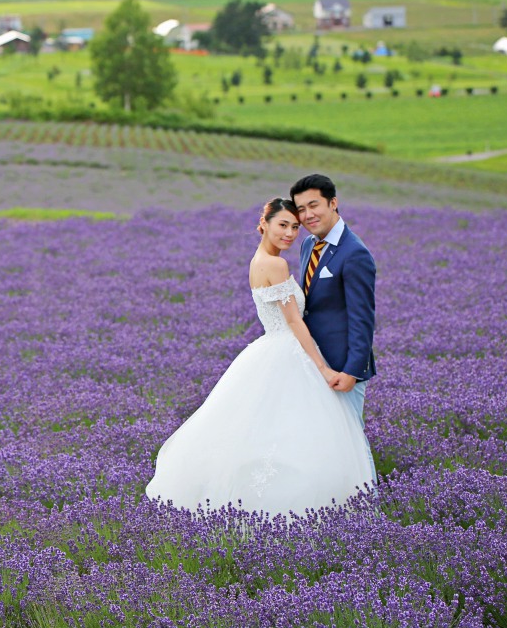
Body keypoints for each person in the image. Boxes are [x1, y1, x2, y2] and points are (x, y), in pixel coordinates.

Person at [145, 198, 375, 518]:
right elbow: (294, 322)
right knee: (301, 433)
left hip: (270, 348)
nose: (290, 233)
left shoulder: (259, 260)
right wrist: (322, 367)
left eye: (295, 227)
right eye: (283, 225)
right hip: (289, 351)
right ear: (264, 223)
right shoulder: (276, 265)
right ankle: (297, 507)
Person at [290, 174, 376, 426]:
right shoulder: (308, 244)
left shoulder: (355, 252)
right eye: (301, 209)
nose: (307, 215)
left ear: (333, 203)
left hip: (341, 367)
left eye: (314, 205)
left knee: (350, 441)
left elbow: (362, 319)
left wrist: (352, 371)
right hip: (313, 362)